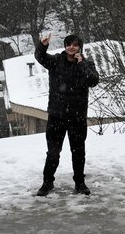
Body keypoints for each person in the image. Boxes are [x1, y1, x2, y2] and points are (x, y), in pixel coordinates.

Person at [35, 33, 100, 196]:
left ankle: (80, 183)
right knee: (53, 152)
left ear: (80, 47)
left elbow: (93, 81)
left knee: (78, 152)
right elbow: (40, 57)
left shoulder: (87, 64)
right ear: (65, 46)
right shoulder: (56, 61)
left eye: (75, 44)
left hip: (78, 117)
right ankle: (47, 182)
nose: (71, 47)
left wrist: (81, 63)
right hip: (57, 116)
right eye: (68, 44)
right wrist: (43, 45)